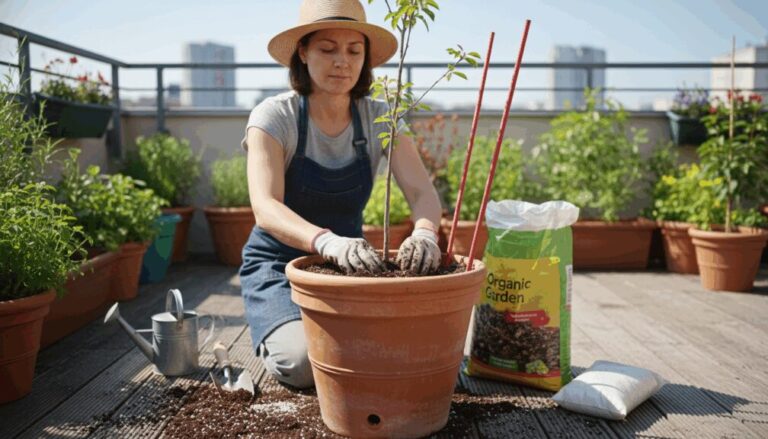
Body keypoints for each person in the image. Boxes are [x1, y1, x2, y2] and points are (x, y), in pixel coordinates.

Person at [239, 0, 442, 389]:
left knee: (400, 347)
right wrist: (326, 240)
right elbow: (265, 207)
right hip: (277, 265)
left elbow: (421, 192)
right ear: (303, 51)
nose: (341, 62)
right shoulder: (274, 117)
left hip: (349, 266)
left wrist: (425, 233)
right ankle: (272, 331)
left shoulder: (380, 117)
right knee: (302, 362)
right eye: (327, 49)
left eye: (354, 51)